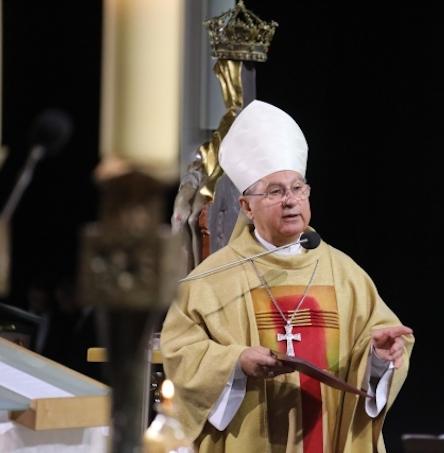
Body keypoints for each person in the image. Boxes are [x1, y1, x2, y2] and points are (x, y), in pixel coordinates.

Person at [161, 100, 414, 452]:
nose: (291, 201)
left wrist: (379, 358)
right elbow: (179, 355)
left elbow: (378, 345)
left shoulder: (346, 275)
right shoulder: (211, 280)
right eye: (275, 191)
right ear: (246, 206)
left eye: (298, 188)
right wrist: (236, 362)